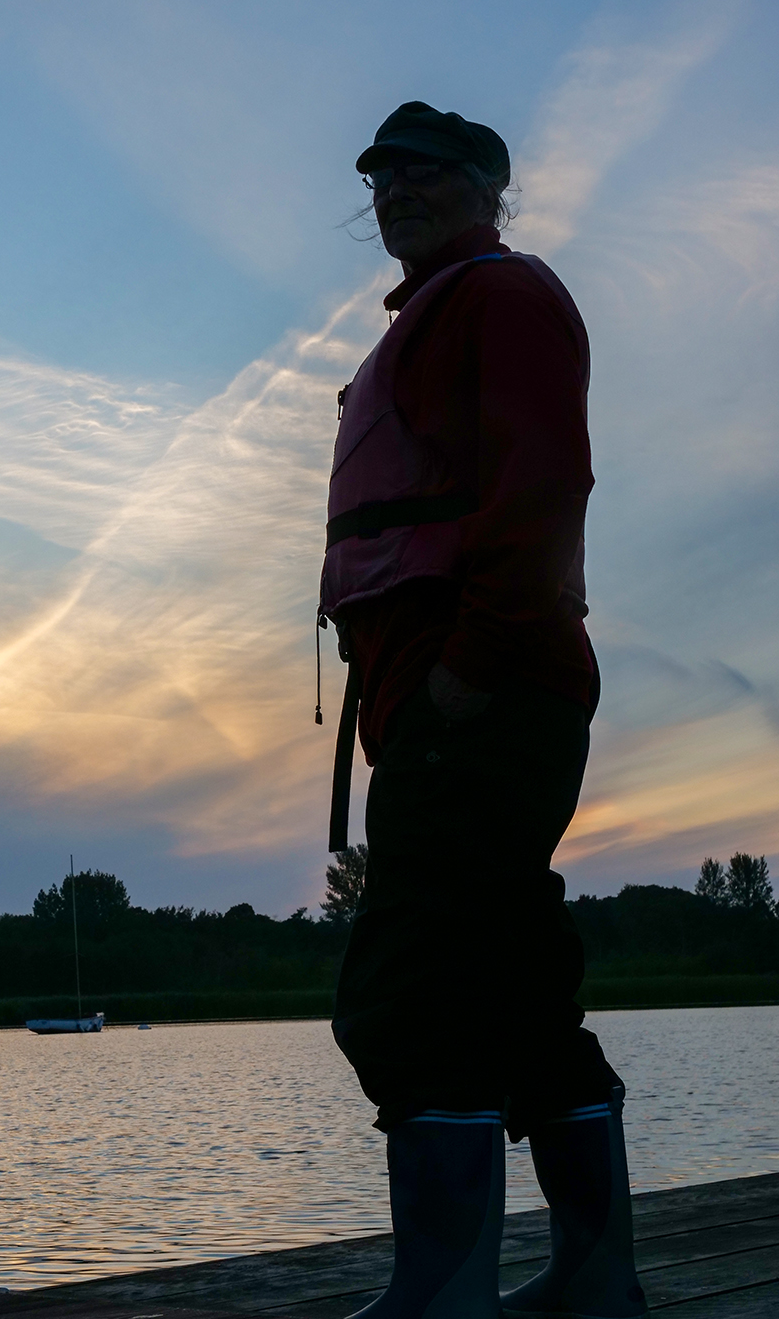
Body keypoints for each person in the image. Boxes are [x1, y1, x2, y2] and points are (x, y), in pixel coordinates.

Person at [319, 102, 648, 1319]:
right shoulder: (433, 315)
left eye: (426, 173)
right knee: (513, 984)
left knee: (413, 985)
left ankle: (445, 1292)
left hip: (483, 689)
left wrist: (471, 662)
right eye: (383, 177)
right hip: (460, 691)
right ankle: (592, 1282)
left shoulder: (502, 295)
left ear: (487, 187)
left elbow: (544, 478)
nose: (397, 190)